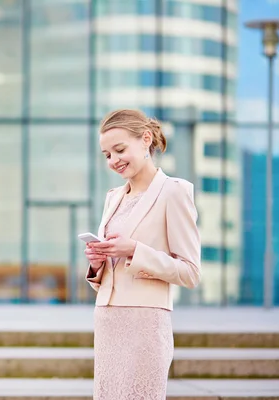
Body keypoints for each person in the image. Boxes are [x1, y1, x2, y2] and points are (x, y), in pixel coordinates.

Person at [84, 109, 201, 400]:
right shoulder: (113, 197)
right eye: (107, 154)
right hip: (108, 320)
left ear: (146, 139)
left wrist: (135, 250)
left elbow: (190, 272)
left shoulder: (174, 192)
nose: (114, 161)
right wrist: (98, 263)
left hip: (145, 323)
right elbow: (111, 273)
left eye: (120, 150)